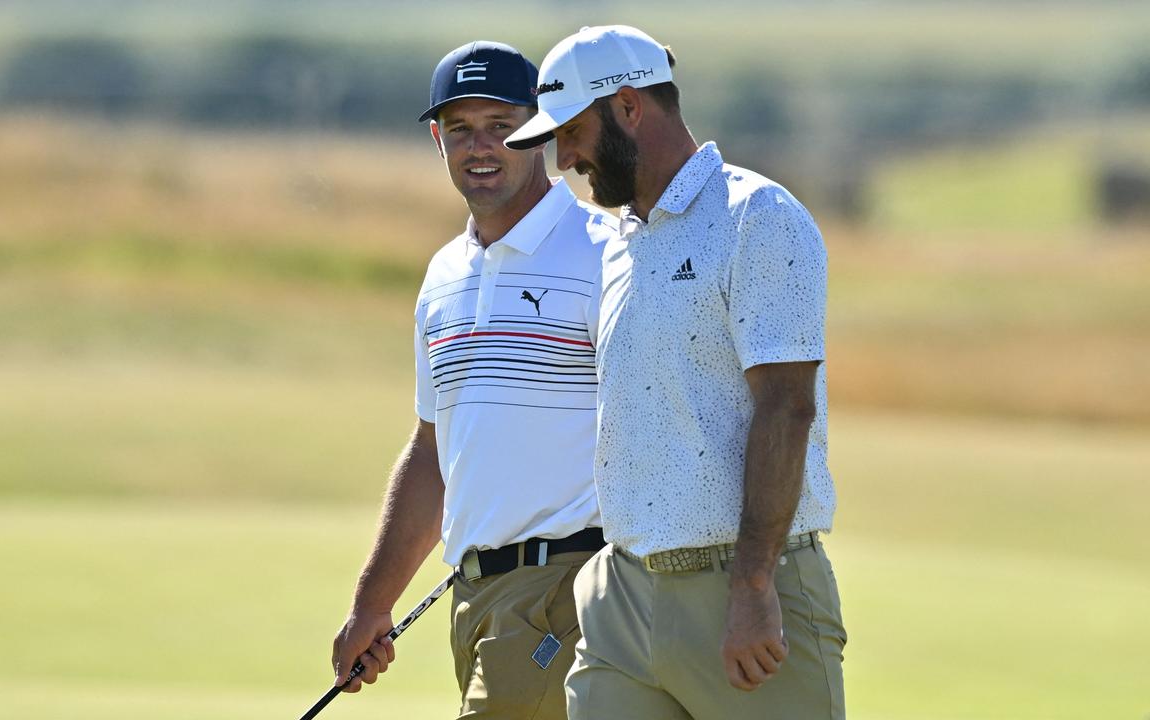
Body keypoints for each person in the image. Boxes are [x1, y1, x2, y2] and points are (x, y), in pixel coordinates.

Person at [505, 25, 847, 719]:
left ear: (629, 108)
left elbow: (788, 407)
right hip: (623, 598)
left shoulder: (758, 217)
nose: (564, 159)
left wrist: (752, 587)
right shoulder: (617, 242)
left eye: (571, 132)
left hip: (747, 588)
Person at [330, 40, 617, 719]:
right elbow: (435, 449)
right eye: (460, 129)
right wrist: (373, 603)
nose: (480, 147)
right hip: (475, 598)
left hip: (571, 590)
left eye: (502, 126)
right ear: (438, 138)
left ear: (543, 127)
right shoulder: (444, 276)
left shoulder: (605, 254)